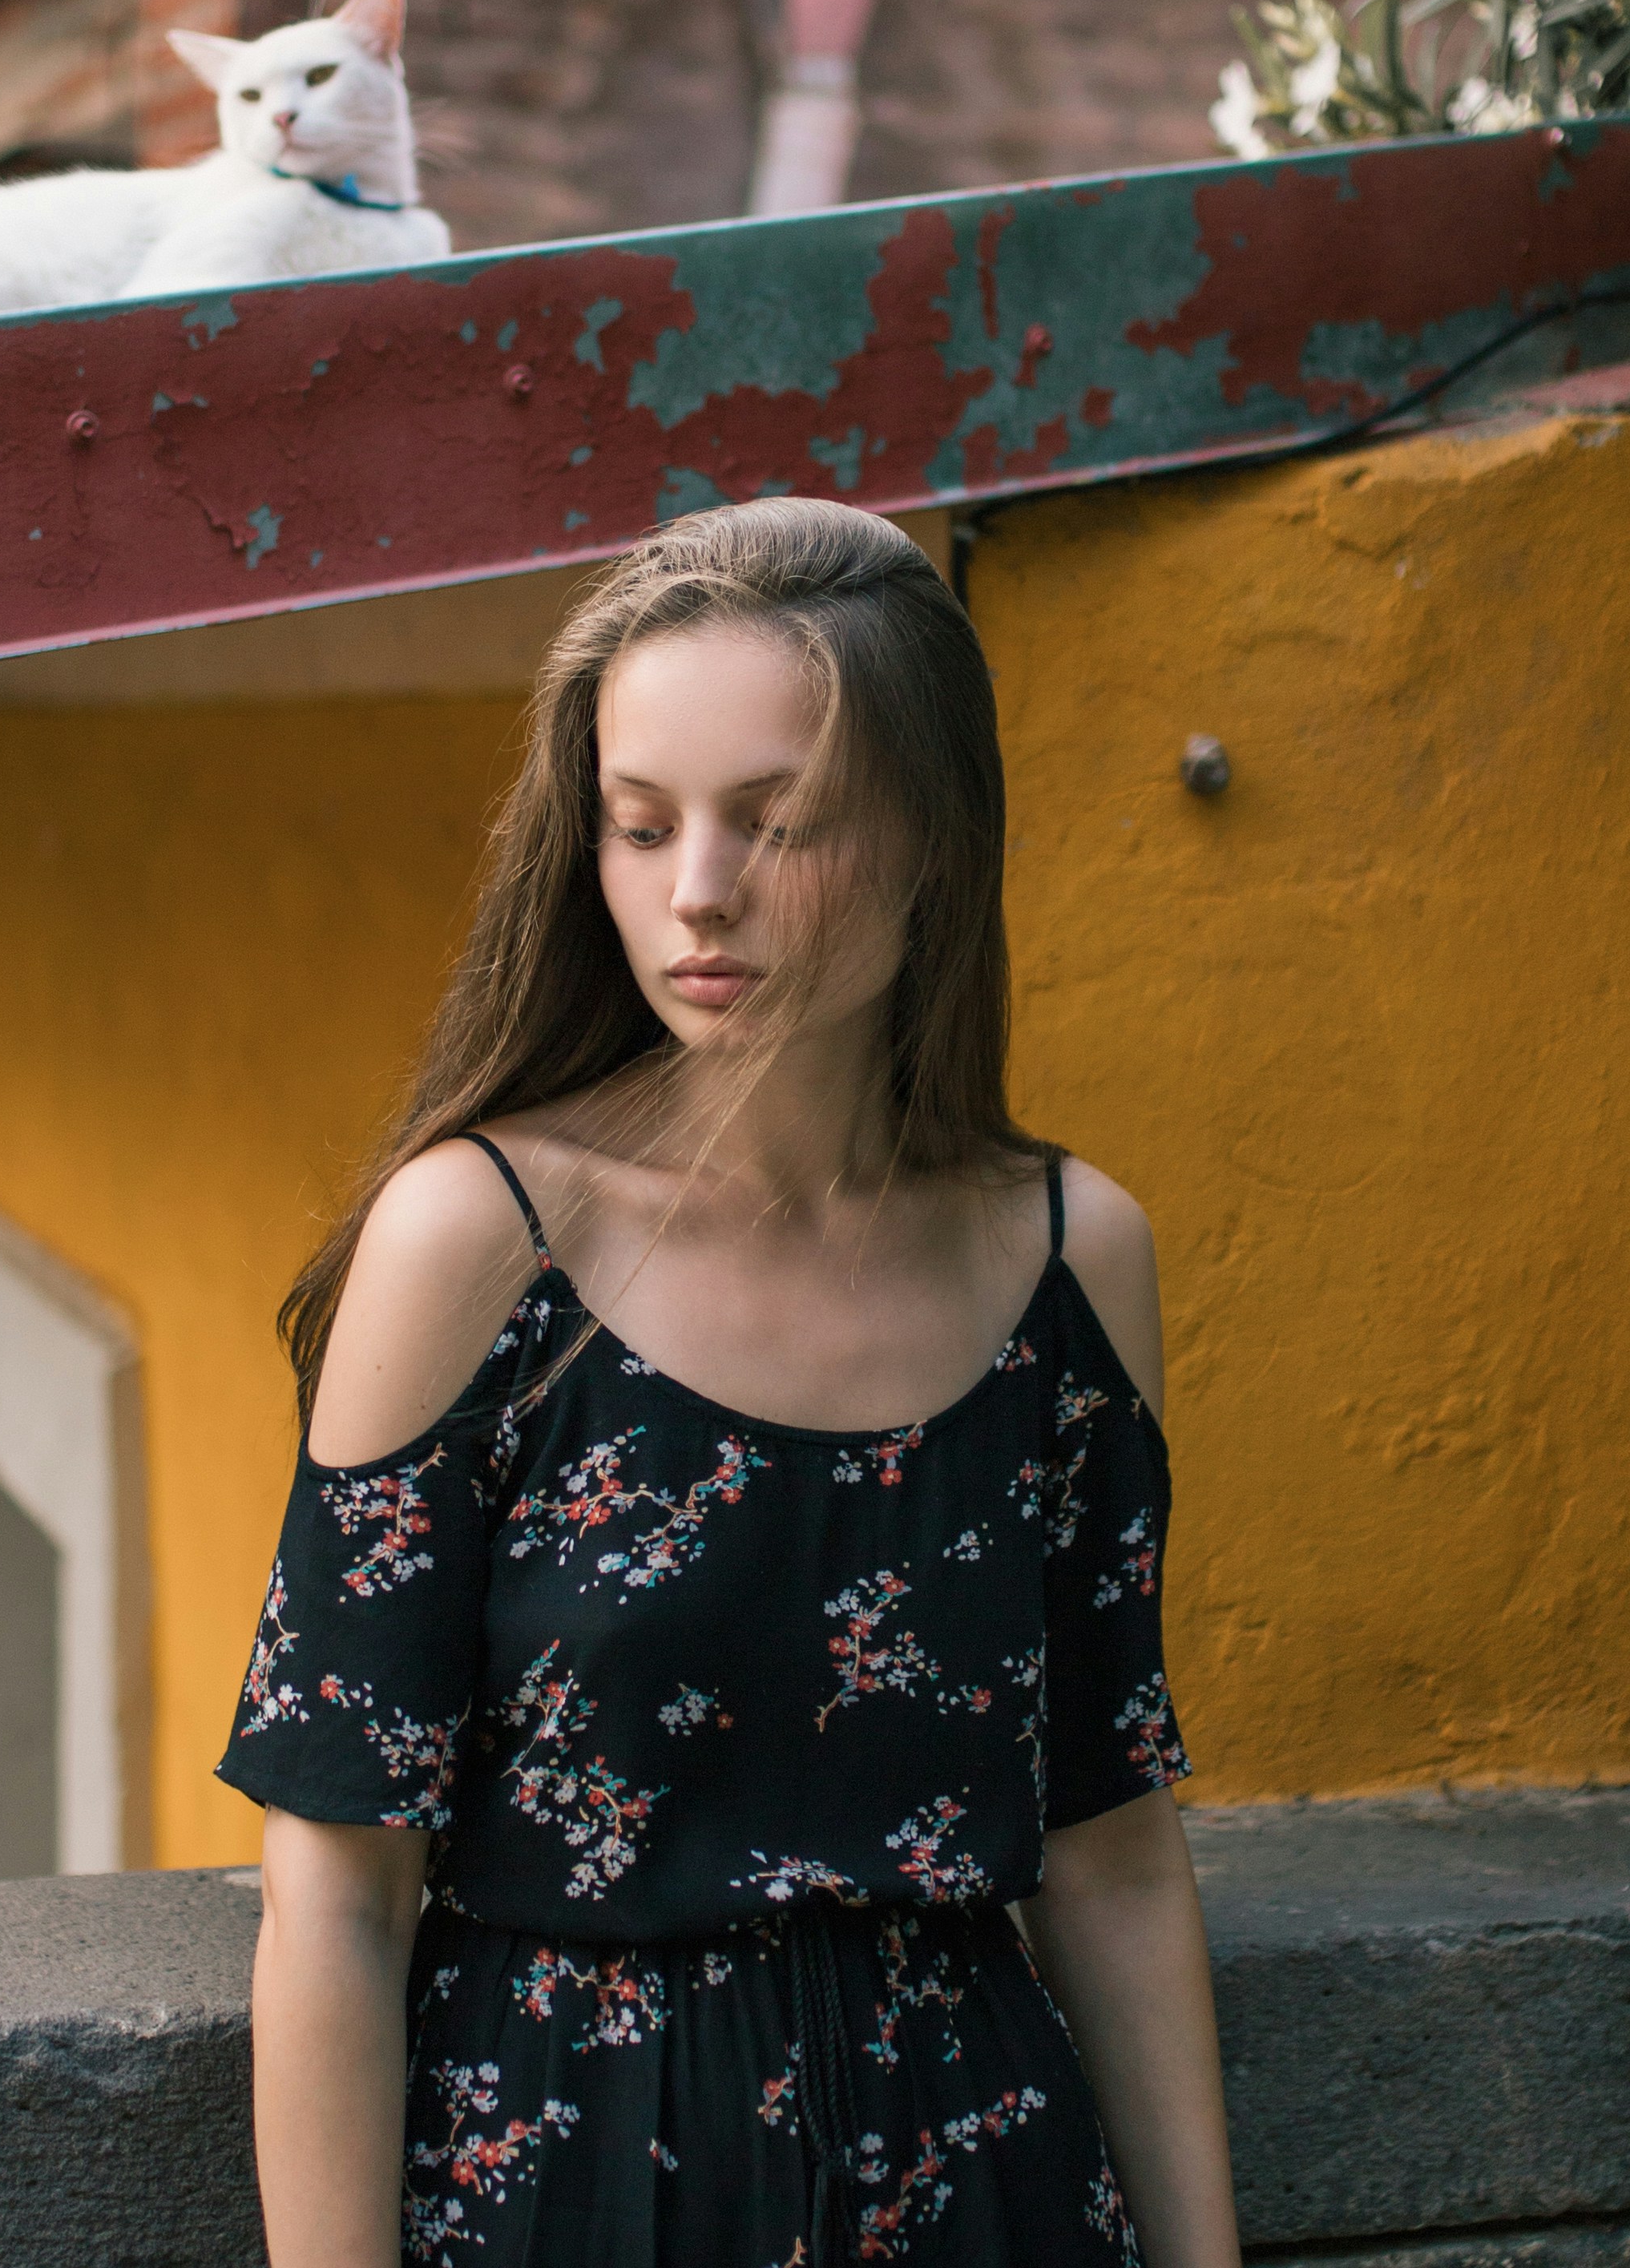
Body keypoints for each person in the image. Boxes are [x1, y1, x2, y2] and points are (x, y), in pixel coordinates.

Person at [220, 498, 1241, 2267]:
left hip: (990, 2199)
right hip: (580, 2189)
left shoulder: (1071, 1260)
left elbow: (1115, 1851)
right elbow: (333, 1899)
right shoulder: (479, 1243)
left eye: (776, 822)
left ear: (931, 839)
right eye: (639, 823)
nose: (695, 888)